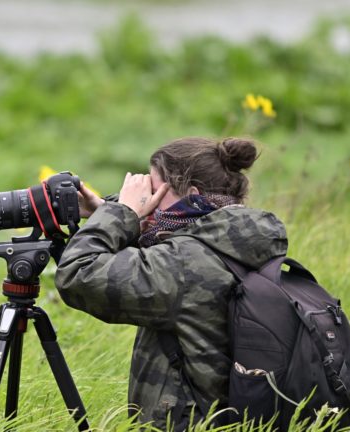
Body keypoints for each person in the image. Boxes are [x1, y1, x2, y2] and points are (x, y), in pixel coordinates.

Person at [54, 137, 288, 430]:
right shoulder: (242, 243)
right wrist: (106, 208)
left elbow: (78, 274)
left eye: (155, 191)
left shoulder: (186, 265)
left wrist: (119, 215)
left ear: (191, 195)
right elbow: (166, 251)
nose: (148, 202)